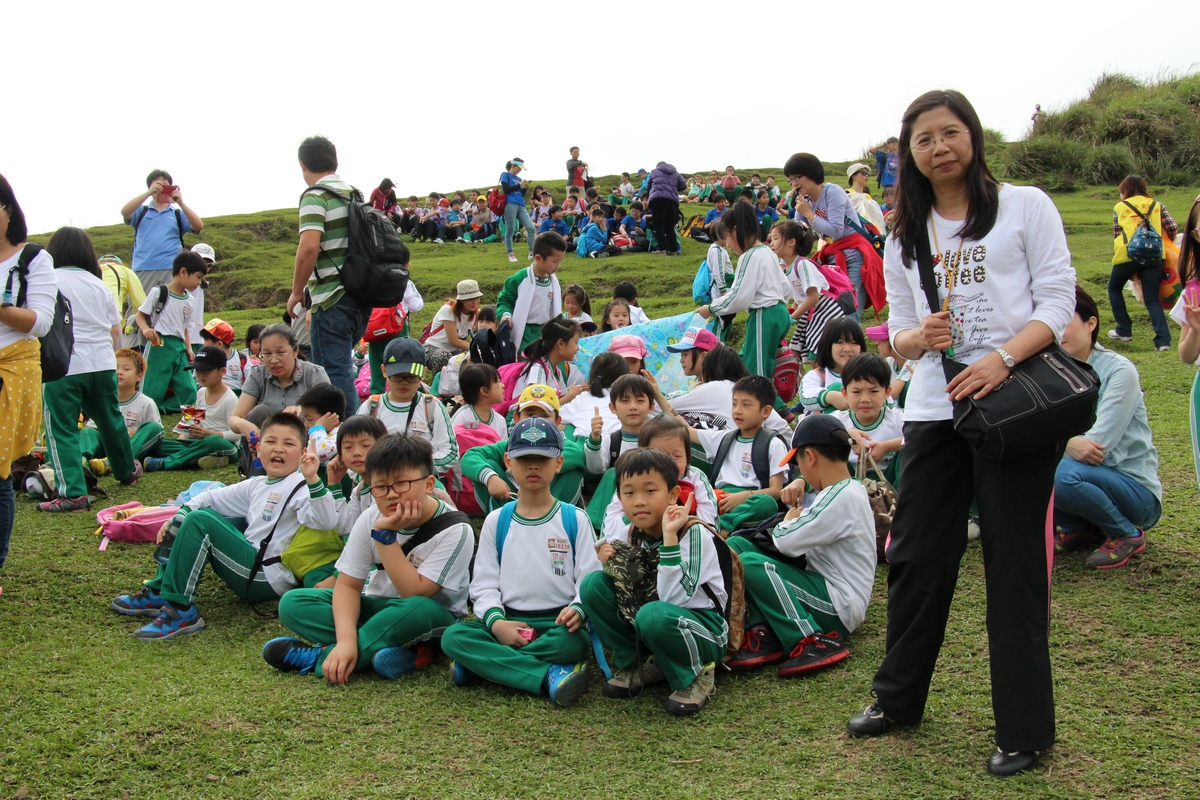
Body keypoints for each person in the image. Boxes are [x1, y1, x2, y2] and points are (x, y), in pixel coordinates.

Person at [847, 89, 1076, 778]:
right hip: (933, 409)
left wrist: (1001, 359)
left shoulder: (1026, 205)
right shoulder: (903, 232)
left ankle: (1024, 731)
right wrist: (920, 337)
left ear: (972, 137)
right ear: (908, 154)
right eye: (924, 139)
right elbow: (901, 333)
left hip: (1013, 407)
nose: (939, 147)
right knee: (917, 556)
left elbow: (1058, 303)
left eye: (950, 133)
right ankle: (897, 699)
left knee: (1012, 567)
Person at [266, 434, 475, 683]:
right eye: (381, 487)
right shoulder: (370, 516)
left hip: (428, 615)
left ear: (429, 484)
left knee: (417, 609)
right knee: (293, 603)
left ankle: (320, 659)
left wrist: (385, 536)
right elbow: (348, 584)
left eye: (401, 484)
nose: (391, 494)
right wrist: (345, 641)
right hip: (377, 606)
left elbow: (414, 592)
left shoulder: (455, 529)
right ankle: (402, 652)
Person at [110, 413, 337, 639]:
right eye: (271, 442)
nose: (278, 449)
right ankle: (161, 589)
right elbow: (212, 497)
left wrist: (313, 480)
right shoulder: (257, 484)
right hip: (250, 563)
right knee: (196, 514)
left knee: (201, 521)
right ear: (258, 449)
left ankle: (180, 612)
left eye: (289, 444)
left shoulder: (300, 485)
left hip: (267, 577)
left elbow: (326, 520)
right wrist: (180, 513)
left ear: (303, 453)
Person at [441, 417, 602, 707]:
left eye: (542, 458)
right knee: (454, 637)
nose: (532, 466)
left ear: (558, 463)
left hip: (555, 624)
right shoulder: (496, 520)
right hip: (507, 621)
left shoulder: (574, 518)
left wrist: (578, 608)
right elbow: (484, 584)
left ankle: (482, 666)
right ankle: (547, 675)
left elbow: (590, 577)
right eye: (524, 458)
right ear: (508, 462)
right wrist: (497, 622)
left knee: (573, 644)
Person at [725, 415, 876, 678]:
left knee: (750, 564)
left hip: (840, 604)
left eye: (798, 464)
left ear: (810, 456)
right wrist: (800, 484)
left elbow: (787, 541)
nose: (800, 471)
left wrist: (787, 520)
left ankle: (809, 639)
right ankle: (762, 631)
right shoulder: (843, 489)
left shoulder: (841, 496)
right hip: (824, 586)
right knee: (736, 546)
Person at [580, 448, 727, 715]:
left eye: (650, 491)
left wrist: (670, 539)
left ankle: (697, 673)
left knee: (654, 614)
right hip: (656, 621)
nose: (638, 501)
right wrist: (610, 566)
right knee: (594, 585)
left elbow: (675, 598)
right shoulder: (631, 532)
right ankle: (639, 662)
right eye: (629, 492)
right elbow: (634, 590)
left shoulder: (693, 534)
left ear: (673, 495)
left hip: (704, 631)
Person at [1054, 286, 1160, 569]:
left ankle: (1127, 534)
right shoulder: (1048, 369)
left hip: (1133, 489)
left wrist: (1058, 442)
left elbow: (1100, 447)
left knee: (1057, 472)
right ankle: (1076, 526)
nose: (1056, 331)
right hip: (1080, 472)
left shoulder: (1118, 371)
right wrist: (1066, 442)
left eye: (1065, 321)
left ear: (1091, 324)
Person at [38, 228, 139, 513]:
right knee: (111, 420)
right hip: (102, 363)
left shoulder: (49, 280)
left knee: (62, 428)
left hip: (64, 367)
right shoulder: (99, 285)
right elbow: (115, 332)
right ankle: (126, 471)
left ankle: (72, 493)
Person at [287, 135, 369, 408]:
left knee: (332, 373)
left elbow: (309, 247)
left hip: (331, 297)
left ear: (302, 164)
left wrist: (297, 291)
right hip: (360, 296)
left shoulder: (315, 196)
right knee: (342, 366)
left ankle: (353, 437)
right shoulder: (353, 193)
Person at [697, 202, 791, 409]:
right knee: (747, 361)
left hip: (763, 315)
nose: (728, 245)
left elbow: (740, 296)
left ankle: (777, 413)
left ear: (736, 231)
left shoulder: (750, 256)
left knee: (757, 372)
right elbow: (786, 287)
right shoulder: (767, 252)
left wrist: (711, 308)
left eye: (728, 238)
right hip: (779, 313)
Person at [461, 385, 590, 513]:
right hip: (512, 500)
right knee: (488, 465)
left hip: (548, 497)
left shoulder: (563, 443)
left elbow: (577, 453)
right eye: (530, 414)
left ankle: (553, 516)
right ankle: (501, 519)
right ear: (517, 418)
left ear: (557, 421)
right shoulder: (510, 444)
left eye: (544, 416)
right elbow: (470, 455)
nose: (536, 421)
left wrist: (534, 484)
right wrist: (490, 478)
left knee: (573, 470)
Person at [785, 153, 881, 322]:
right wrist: (797, 213)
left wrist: (808, 213)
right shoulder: (805, 199)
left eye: (797, 178)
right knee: (833, 312)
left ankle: (852, 347)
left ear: (811, 174)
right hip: (831, 257)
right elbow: (800, 231)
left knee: (849, 311)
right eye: (790, 180)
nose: (794, 184)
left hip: (853, 256)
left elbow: (835, 231)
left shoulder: (832, 192)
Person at [688, 375, 787, 536]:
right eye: (734, 404)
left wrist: (743, 496)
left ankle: (721, 529)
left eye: (746, 405)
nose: (737, 410)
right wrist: (657, 395)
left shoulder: (773, 444)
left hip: (750, 500)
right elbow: (687, 431)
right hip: (721, 498)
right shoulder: (724, 438)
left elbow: (776, 490)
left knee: (767, 503)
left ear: (766, 411)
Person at [358, 338, 457, 474]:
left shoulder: (432, 407)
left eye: (411, 376)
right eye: (397, 376)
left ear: (423, 373)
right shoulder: (371, 407)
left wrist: (414, 470)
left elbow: (450, 452)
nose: (404, 382)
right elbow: (354, 450)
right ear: (384, 371)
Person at [1107, 175, 1179, 351]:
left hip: (1128, 255)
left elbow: (1118, 235)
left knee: (1114, 288)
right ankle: (1163, 341)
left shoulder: (1120, 207)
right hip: (1155, 254)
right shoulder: (1156, 205)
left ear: (1124, 190)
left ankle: (1124, 330)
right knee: (1152, 299)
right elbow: (1172, 227)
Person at [144, 345, 242, 473]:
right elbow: (194, 419)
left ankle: (165, 463)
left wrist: (209, 434)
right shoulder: (201, 392)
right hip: (199, 443)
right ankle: (208, 459)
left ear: (222, 371)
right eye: (197, 371)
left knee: (212, 442)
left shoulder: (230, 399)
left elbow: (236, 434)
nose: (201, 375)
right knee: (161, 444)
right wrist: (182, 439)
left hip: (225, 445)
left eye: (206, 371)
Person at [134, 250, 205, 414]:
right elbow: (140, 315)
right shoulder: (159, 292)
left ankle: (191, 424)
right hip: (159, 346)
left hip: (179, 347)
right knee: (153, 389)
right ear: (183, 272)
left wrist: (188, 348)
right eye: (198, 277)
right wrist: (146, 329)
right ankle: (142, 422)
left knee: (189, 388)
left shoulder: (190, 300)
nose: (199, 282)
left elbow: (186, 328)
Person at [229, 324, 331, 437]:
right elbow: (235, 418)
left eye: (280, 352)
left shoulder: (314, 374)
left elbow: (331, 415)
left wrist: (302, 410)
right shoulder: (258, 375)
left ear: (295, 351)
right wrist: (241, 424)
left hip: (306, 444)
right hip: (265, 445)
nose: (273, 360)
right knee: (260, 411)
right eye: (267, 354)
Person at [80, 349, 164, 475]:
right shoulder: (103, 400)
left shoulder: (146, 403)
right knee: (87, 431)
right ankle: (81, 461)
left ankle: (111, 463)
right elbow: (93, 430)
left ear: (139, 376)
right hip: (107, 445)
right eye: (115, 368)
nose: (119, 372)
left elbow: (156, 434)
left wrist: (133, 433)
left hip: (132, 446)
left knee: (154, 427)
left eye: (126, 369)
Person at [772, 219, 846, 362]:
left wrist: (791, 318)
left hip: (825, 310)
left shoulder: (802, 264)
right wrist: (791, 311)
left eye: (776, 238)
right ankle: (808, 382)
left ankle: (822, 380)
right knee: (796, 350)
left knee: (815, 354)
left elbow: (813, 297)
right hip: (812, 312)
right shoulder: (787, 268)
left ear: (791, 242)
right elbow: (800, 297)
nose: (771, 243)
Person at [119, 169, 204, 291]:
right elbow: (125, 211)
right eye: (156, 183)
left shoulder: (177, 214)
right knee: (142, 305)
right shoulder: (142, 211)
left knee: (171, 305)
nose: (161, 186)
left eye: (165, 183)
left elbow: (198, 225)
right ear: (150, 187)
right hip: (143, 267)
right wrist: (148, 193)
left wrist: (180, 202)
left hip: (172, 268)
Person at [832, 353, 905, 479]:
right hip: (848, 482)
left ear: (887, 392)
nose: (865, 399)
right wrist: (844, 434)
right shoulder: (838, 420)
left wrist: (886, 447)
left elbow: (919, 436)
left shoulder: (896, 418)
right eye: (856, 392)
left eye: (874, 391)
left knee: (907, 450)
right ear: (845, 393)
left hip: (891, 483)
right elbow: (809, 434)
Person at [797, 318, 866, 415]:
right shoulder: (817, 376)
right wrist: (830, 397)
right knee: (836, 387)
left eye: (853, 342)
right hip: (824, 427)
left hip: (861, 427)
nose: (847, 349)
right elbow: (806, 398)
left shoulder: (869, 376)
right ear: (827, 346)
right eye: (839, 342)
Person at [510, 317, 586, 401]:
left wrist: (581, 389)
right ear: (560, 344)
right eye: (576, 342)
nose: (578, 348)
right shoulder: (538, 369)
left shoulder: (556, 370)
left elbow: (560, 399)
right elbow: (537, 405)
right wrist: (570, 395)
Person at [425, 280, 481, 375]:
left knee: (472, 359)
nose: (474, 302)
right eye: (470, 299)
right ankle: (437, 386)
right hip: (433, 349)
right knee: (443, 356)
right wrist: (474, 349)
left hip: (454, 351)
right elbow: (454, 341)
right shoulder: (448, 310)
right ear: (462, 300)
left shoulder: (477, 313)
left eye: (477, 298)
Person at [97, 254, 146, 349]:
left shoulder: (90, 271)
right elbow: (141, 303)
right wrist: (131, 323)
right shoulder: (126, 271)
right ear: (120, 264)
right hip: (111, 312)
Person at [451, 364, 508, 440]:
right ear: (484, 391)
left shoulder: (500, 421)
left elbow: (502, 449)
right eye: (497, 382)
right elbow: (452, 444)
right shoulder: (462, 417)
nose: (503, 385)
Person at [500, 158, 537, 263]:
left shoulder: (518, 178)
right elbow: (506, 189)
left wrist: (525, 188)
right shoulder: (505, 175)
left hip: (521, 204)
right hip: (510, 204)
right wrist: (519, 185)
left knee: (530, 227)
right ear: (513, 166)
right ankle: (511, 254)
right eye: (519, 168)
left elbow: (520, 193)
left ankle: (531, 252)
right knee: (510, 230)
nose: (520, 170)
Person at [647, 162, 687, 255]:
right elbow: (683, 185)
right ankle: (673, 250)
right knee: (669, 226)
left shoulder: (654, 172)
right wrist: (673, 188)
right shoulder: (675, 173)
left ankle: (662, 248)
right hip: (672, 201)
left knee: (658, 224)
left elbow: (648, 186)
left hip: (657, 199)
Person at [847, 163, 887, 233]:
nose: (867, 175)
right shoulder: (847, 194)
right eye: (863, 173)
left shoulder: (867, 197)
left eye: (868, 173)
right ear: (854, 176)